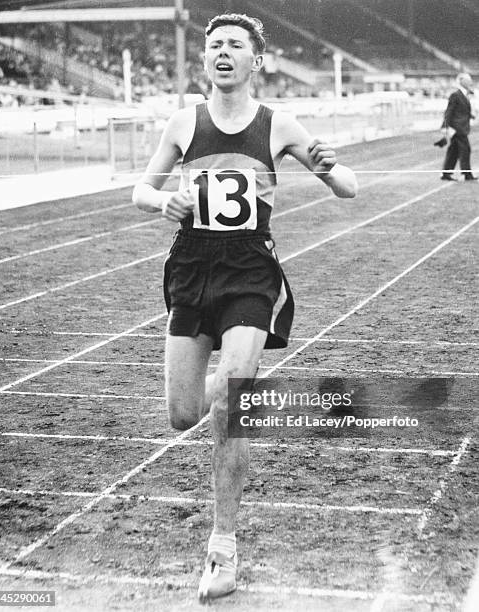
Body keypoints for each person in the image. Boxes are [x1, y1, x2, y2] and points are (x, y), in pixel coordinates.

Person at [132, 13, 357, 603]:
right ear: (204, 61)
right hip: (191, 267)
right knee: (183, 414)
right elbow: (138, 190)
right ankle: (239, 378)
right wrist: (163, 201)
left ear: (257, 61)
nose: (222, 53)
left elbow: (350, 186)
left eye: (235, 45)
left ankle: (223, 548)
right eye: (214, 46)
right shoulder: (184, 122)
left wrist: (332, 169)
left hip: (251, 271)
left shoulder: (278, 123)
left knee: (233, 402)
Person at [441, 73, 477, 181]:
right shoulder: (455, 95)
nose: (470, 82)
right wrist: (445, 126)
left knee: (454, 151)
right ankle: (467, 174)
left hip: (460, 127)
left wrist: (471, 115)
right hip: (457, 128)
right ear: (461, 81)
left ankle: (446, 173)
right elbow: (449, 111)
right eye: (468, 80)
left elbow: (461, 110)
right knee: (465, 149)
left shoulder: (463, 94)